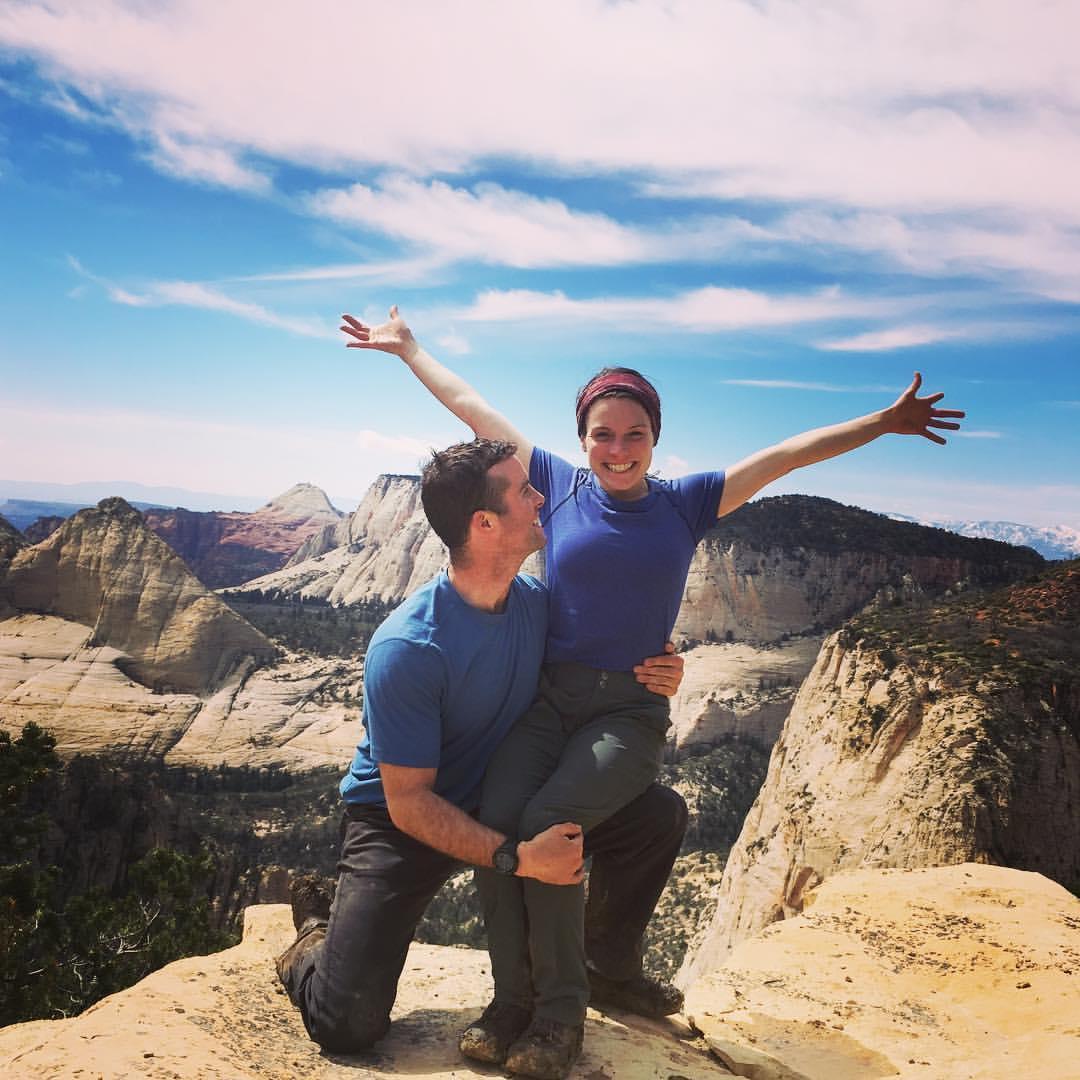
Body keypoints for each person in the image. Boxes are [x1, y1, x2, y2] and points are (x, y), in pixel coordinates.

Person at [341, 305, 966, 1079]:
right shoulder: (558, 487)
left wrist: (882, 421)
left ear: (655, 439)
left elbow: (786, 457)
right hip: (552, 702)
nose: (618, 448)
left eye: (634, 433)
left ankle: (561, 1016)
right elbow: (472, 410)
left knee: (548, 821)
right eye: (603, 434)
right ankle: (511, 1004)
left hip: (629, 710)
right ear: (582, 440)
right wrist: (408, 349)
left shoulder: (687, 502)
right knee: (501, 820)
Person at [274, 438, 689, 1063]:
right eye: (525, 491)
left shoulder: (537, 606)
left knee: (658, 815)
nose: (542, 498)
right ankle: (313, 937)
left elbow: (604, 659)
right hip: (403, 823)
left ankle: (607, 966)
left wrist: (662, 671)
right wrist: (518, 859)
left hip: (506, 794)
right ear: (485, 523)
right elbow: (409, 803)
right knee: (347, 1023)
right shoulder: (409, 647)